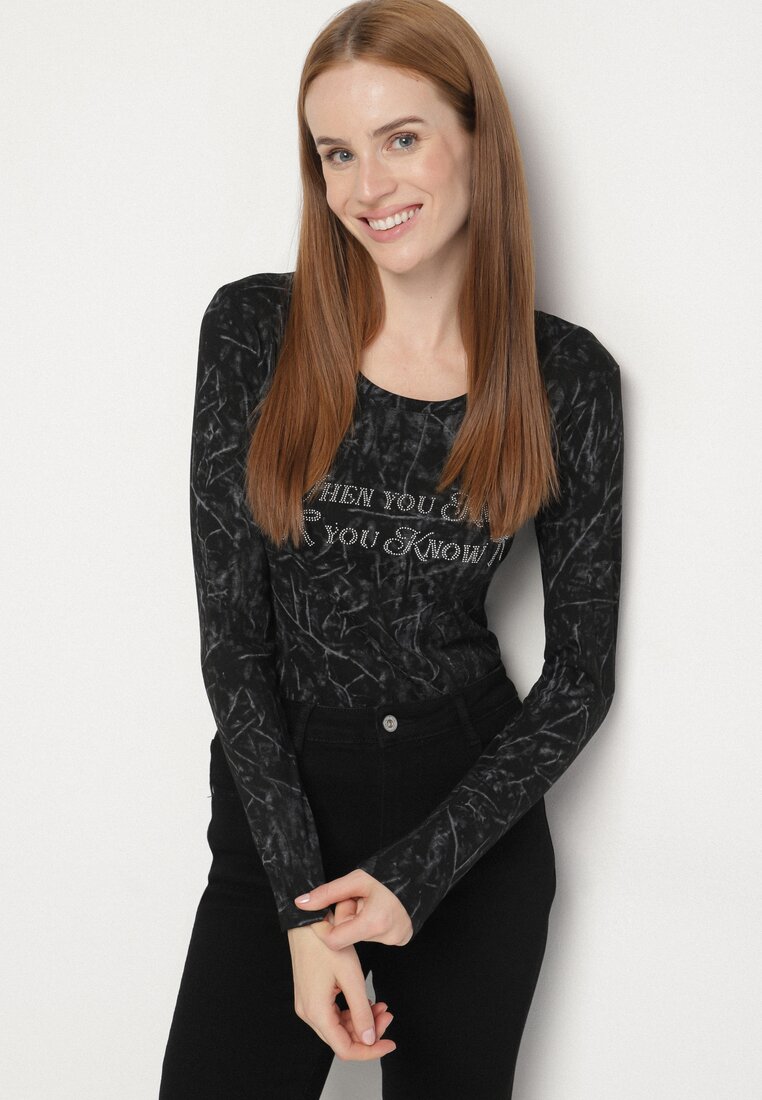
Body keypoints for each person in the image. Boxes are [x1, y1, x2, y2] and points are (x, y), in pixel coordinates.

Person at [158, 0, 625, 1096]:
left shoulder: (565, 378)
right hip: (280, 802)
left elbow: (579, 679)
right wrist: (298, 909)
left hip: (469, 822)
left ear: (476, 137)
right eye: (337, 152)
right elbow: (234, 643)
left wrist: (418, 874)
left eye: (401, 137)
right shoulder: (253, 332)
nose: (368, 186)